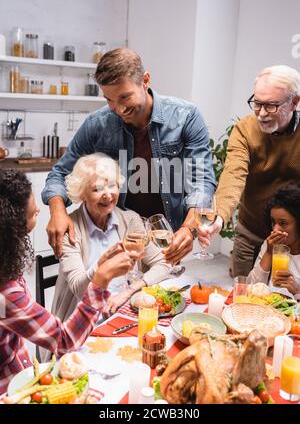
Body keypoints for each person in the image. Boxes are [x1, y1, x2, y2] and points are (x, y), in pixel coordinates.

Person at [42, 48, 216, 263]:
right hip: (117, 240)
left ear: (145, 80)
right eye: (109, 100)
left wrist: (189, 229)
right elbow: (60, 174)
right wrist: (57, 211)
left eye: (125, 97)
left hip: (169, 237)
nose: (118, 109)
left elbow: (202, 180)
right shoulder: (97, 124)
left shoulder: (186, 117)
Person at [0, 169, 132, 394]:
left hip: (24, 369)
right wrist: (100, 282)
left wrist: (99, 267)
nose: (40, 211)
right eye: (33, 214)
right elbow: (65, 340)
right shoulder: (6, 295)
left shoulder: (4, 261)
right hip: (12, 389)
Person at [198, 65, 300, 276]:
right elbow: (233, 175)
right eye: (257, 103)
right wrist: (219, 217)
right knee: (242, 296)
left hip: (292, 240)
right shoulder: (245, 129)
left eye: (271, 106)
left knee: (285, 302)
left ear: (294, 103)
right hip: (250, 233)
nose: (261, 114)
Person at [51, 153, 171, 322]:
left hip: (125, 312)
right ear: (82, 193)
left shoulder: (131, 220)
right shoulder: (70, 228)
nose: (107, 195)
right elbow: (79, 289)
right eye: (97, 189)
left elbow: (164, 262)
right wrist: (103, 264)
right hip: (80, 323)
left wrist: (129, 291)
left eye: (112, 186)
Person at [247, 183, 300, 300]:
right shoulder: (270, 245)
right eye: (273, 222)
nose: (275, 229)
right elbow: (250, 288)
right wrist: (269, 253)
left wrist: (297, 291)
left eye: (283, 223)